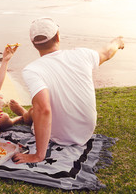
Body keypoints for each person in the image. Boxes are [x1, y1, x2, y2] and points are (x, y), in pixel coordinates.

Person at [11, 17, 124, 164]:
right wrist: (117, 42)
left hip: (59, 135)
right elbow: (107, 53)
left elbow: (43, 109)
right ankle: (24, 113)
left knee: (35, 109)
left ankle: (24, 114)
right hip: (85, 132)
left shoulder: (32, 69)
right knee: (38, 106)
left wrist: (38, 155)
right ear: (58, 36)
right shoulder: (82, 54)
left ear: (34, 44)